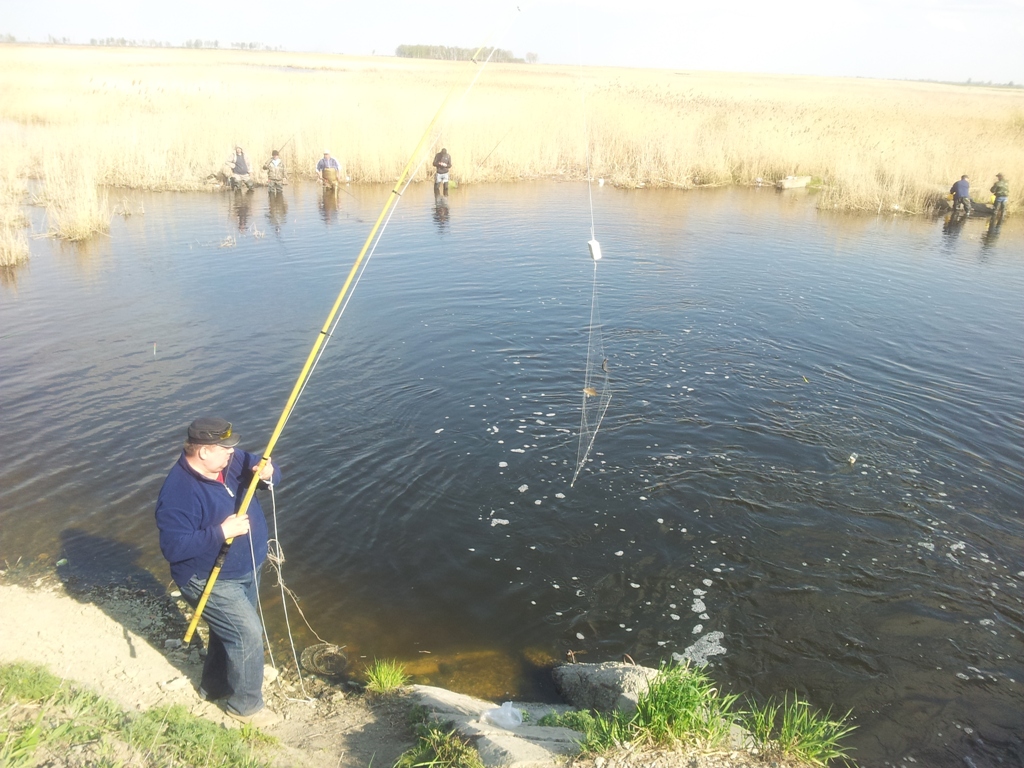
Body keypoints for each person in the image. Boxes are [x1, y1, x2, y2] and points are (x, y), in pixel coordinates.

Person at [155, 417, 281, 727]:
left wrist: (268, 473)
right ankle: (245, 709)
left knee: (229, 630)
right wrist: (221, 532)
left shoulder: (231, 460)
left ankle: (215, 687)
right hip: (207, 577)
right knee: (247, 634)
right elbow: (173, 548)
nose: (233, 453)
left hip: (247, 567)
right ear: (203, 451)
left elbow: (267, 470)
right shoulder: (178, 492)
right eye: (224, 449)